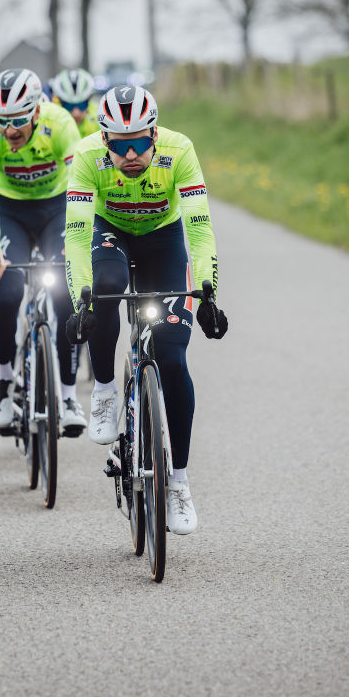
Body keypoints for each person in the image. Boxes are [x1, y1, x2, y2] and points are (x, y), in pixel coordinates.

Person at [63, 85, 229, 535]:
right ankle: (104, 390)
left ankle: (179, 483)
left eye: (139, 142)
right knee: (105, 288)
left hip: (163, 239)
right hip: (109, 234)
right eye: (120, 146)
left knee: (173, 358)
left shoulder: (179, 150)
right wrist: (80, 299)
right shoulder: (86, 157)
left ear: (155, 134)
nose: (131, 154)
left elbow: (199, 228)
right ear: (104, 140)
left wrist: (209, 293)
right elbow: (76, 235)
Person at [0, 67, 86, 436]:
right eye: (2, 120)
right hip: (10, 211)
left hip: (57, 207)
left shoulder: (61, 123)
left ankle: (68, 395)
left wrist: (77, 240)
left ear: (37, 110)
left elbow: (80, 187)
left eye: (18, 120)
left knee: (67, 292)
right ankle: (3, 380)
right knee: (8, 292)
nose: (9, 130)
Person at [50, 68, 98, 137]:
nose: (76, 114)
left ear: (89, 100)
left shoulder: (99, 116)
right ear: (59, 102)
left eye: (82, 105)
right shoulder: (51, 119)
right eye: (69, 106)